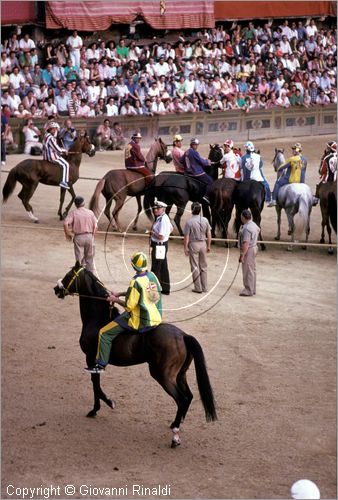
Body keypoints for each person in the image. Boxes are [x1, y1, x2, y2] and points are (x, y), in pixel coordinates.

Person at [85, 251, 162, 373]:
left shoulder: (135, 282)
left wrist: (115, 300)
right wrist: (120, 293)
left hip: (139, 320)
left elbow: (129, 306)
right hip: (156, 316)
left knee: (104, 333)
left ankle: (100, 365)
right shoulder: (152, 276)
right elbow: (148, 293)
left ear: (134, 266)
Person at [63, 196, 98, 275]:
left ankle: (80, 275)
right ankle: (90, 275)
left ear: (76, 205)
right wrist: (93, 236)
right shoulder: (90, 212)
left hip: (78, 237)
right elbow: (96, 226)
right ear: (83, 203)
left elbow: (65, 223)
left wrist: (67, 234)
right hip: (89, 236)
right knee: (90, 258)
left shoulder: (73, 213)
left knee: (79, 258)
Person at [183, 202, 211, 294]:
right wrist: (209, 245)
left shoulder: (189, 222)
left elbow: (186, 236)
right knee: (203, 266)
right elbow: (209, 234)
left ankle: (198, 287)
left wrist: (185, 247)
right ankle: (205, 287)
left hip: (194, 244)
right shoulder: (205, 220)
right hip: (203, 243)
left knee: (195, 266)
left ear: (192, 210)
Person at [150, 199, 173, 295]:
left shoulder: (163, 219)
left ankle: (156, 290)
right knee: (163, 267)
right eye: (155, 208)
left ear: (163, 209)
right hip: (162, 245)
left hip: (160, 246)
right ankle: (165, 288)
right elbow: (171, 228)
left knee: (156, 268)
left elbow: (161, 236)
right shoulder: (163, 217)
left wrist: (152, 233)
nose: (155, 210)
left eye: (158, 208)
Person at [180, 138, 214, 202]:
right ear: (192, 145)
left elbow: (181, 160)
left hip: (187, 173)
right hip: (196, 173)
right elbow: (202, 162)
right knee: (210, 181)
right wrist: (208, 162)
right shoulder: (194, 152)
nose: (196, 146)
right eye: (195, 145)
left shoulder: (186, 151)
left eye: (197, 145)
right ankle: (206, 196)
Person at [238, 209, 260, 297]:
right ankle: (252, 288)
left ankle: (248, 289)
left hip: (249, 249)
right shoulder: (253, 224)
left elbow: (246, 243)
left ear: (243, 217)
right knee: (252, 269)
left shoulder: (247, 228)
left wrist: (242, 255)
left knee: (248, 270)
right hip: (254, 247)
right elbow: (259, 229)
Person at [42, 121, 70, 189]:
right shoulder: (51, 138)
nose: (55, 130)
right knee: (66, 164)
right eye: (53, 129)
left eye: (55, 129)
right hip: (51, 157)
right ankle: (63, 182)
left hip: (46, 155)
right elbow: (58, 150)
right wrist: (64, 150)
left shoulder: (46, 136)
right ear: (50, 129)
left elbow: (53, 147)